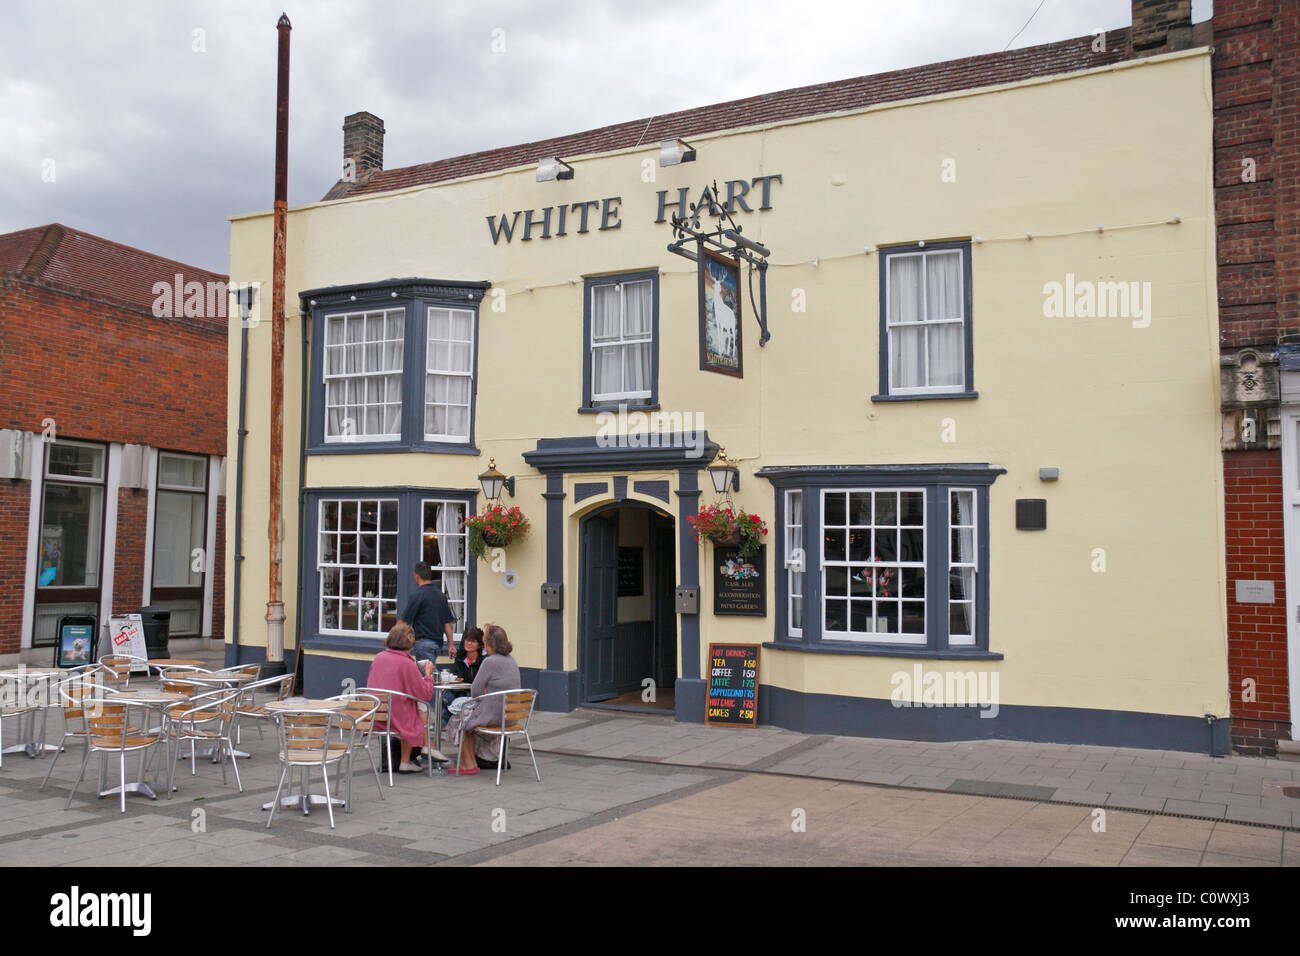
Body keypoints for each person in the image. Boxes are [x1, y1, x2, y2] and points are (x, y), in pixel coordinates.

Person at [365, 621, 445, 773]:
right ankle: (416, 753)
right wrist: (428, 675)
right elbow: (425, 694)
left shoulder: (379, 657)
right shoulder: (406, 663)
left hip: (375, 715)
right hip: (396, 718)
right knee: (418, 706)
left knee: (411, 704)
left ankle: (421, 750)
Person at [446, 623, 521, 776]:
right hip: (511, 715)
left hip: (495, 715)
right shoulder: (511, 660)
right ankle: (475, 759)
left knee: (460, 717)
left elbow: (475, 691)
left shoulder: (490, 661)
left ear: (490, 644)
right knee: (470, 713)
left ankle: (469, 763)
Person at [401, 561, 457, 665]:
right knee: (427, 675)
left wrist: (393, 640)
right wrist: (451, 645)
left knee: (427, 678)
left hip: (423, 643)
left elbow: (403, 622)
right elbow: (447, 624)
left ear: (417, 576)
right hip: (437, 644)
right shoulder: (441, 596)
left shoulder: (417, 595)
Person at [440, 626, 485, 724]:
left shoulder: (483, 661)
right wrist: (460, 695)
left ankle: (443, 724)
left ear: (479, 645)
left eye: (473, 641)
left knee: (453, 703)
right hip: (460, 692)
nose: (468, 643)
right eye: (467, 640)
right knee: (446, 695)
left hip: (475, 694)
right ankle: (443, 724)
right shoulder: (460, 659)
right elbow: (456, 678)